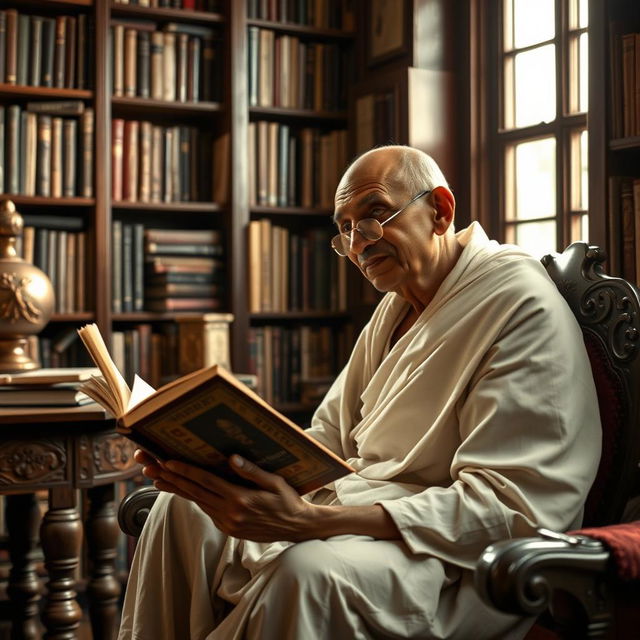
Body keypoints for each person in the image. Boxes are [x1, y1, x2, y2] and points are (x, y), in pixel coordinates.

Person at [118, 146, 601, 640]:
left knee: (305, 573)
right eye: (344, 229)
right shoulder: (397, 307)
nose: (357, 244)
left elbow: (508, 507)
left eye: (373, 216)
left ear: (440, 210)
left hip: (462, 559)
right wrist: (216, 462)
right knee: (179, 508)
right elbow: (328, 437)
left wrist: (313, 521)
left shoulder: (516, 304)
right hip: (365, 513)